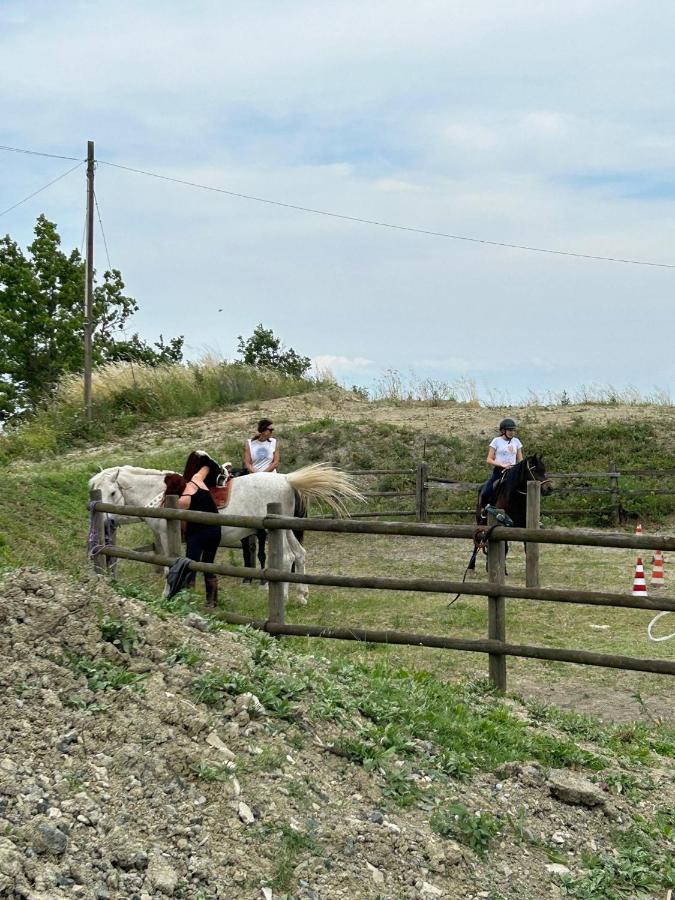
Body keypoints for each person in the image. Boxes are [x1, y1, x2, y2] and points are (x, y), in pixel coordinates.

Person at [178, 451, 222, 608]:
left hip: (197, 533)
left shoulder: (183, 500)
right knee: (208, 564)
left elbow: (184, 525)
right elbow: (209, 466)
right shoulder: (197, 480)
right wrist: (204, 457)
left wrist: (185, 535)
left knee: (190, 565)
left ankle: (188, 601)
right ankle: (212, 601)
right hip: (215, 530)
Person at [482, 417, 523, 507]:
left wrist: (518, 468)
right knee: (486, 491)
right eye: (509, 430)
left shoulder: (517, 442)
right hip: (499, 471)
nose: (512, 432)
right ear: (503, 430)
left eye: (513, 430)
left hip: (513, 472)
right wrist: (502, 464)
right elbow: (489, 459)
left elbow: (520, 460)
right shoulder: (496, 441)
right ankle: (485, 510)